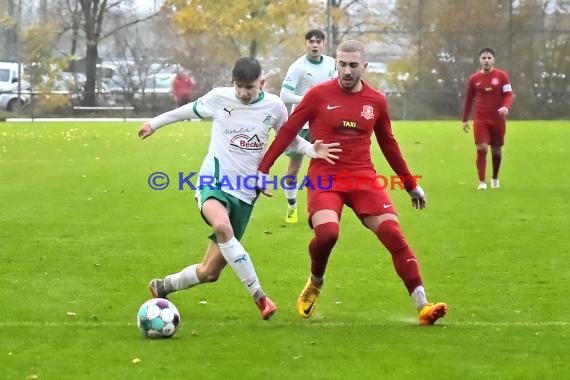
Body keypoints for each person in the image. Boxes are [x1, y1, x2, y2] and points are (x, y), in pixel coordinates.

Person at [257, 40, 447, 325]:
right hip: (325, 178)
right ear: (336, 64)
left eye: (353, 65)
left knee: (394, 234)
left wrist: (410, 184)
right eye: (342, 65)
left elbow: (389, 145)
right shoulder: (317, 95)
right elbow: (287, 133)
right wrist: (263, 170)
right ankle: (316, 280)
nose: (346, 71)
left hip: (363, 178)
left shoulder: (376, 101)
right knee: (328, 234)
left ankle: (423, 305)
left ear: (365, 67)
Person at [138, 57, 340, 320]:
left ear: (262, 83)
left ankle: (163, 286)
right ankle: (260, 297)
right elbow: (185, 111)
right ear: (232, 83)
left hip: (245, 193)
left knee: (209, 272)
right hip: (214, 182)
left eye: (250, 87)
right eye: (239, 87)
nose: (244, 93)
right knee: (222, 227)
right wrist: (153, 123)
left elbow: (288, 139)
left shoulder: (275, 106)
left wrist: (311, 149)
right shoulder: (219, 98)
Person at [279, 29, 336, 223]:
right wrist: (310, 99)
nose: (315, 45)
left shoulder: (331, 63)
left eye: (318, 41)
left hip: (324, 123)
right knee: (294, 167)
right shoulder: (297, 67)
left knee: (324, 166)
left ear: (323, 44)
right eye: (311, 41)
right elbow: (284, 95)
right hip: (302, 123)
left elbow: (336, 86)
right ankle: (291, 206)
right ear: (306, 44)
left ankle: (323, 207)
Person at [461, 48, 514, 190]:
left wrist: (506, 107)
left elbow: (508, 94)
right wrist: (465, 119)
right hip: (480, 119)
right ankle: (482, 182)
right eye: (484, 58)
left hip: (497, 119)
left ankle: (495, 178)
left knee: (496, 151)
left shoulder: (502, 76)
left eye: (489, 58)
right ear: (480, 60)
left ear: (493, 60)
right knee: (482, 148)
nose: (486, 60)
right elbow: (469, 100)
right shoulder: (474, 79)